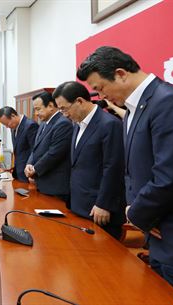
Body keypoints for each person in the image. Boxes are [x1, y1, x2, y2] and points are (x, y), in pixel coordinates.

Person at [77, 46, 173, 305]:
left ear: (121, 74)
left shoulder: (172, 102)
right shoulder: (135, 110)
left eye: (101, 88)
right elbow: (134, 171)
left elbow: (171, 177)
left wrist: (135, 214)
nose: (100, 96)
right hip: (162, 235)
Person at [53, 81, 125, 239]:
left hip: (100, 210)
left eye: (64, 108)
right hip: (79, 204)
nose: (64, 114)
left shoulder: (109, 124)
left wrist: (104, 204)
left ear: (79, 101)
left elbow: (113, 168)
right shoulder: (78, 125)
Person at [25, 91, 73, 205]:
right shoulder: (43, 123)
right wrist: (29, 164)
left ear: (51, 106)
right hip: (42, 183)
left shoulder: (63, 124)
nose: (36, 113)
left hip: (55, 186)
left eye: (38, 109)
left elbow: (54, 153)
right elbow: (35, 148)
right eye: (34, 110)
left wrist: (35, 169)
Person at [0, 106, 38, 182]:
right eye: (4, 125)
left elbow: (35, 151)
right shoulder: (14, 127)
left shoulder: (30, 126)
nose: (7, 127)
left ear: (13, 116)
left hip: (28, 174)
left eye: (7, 123)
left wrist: (32, 173)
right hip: (18, 174)